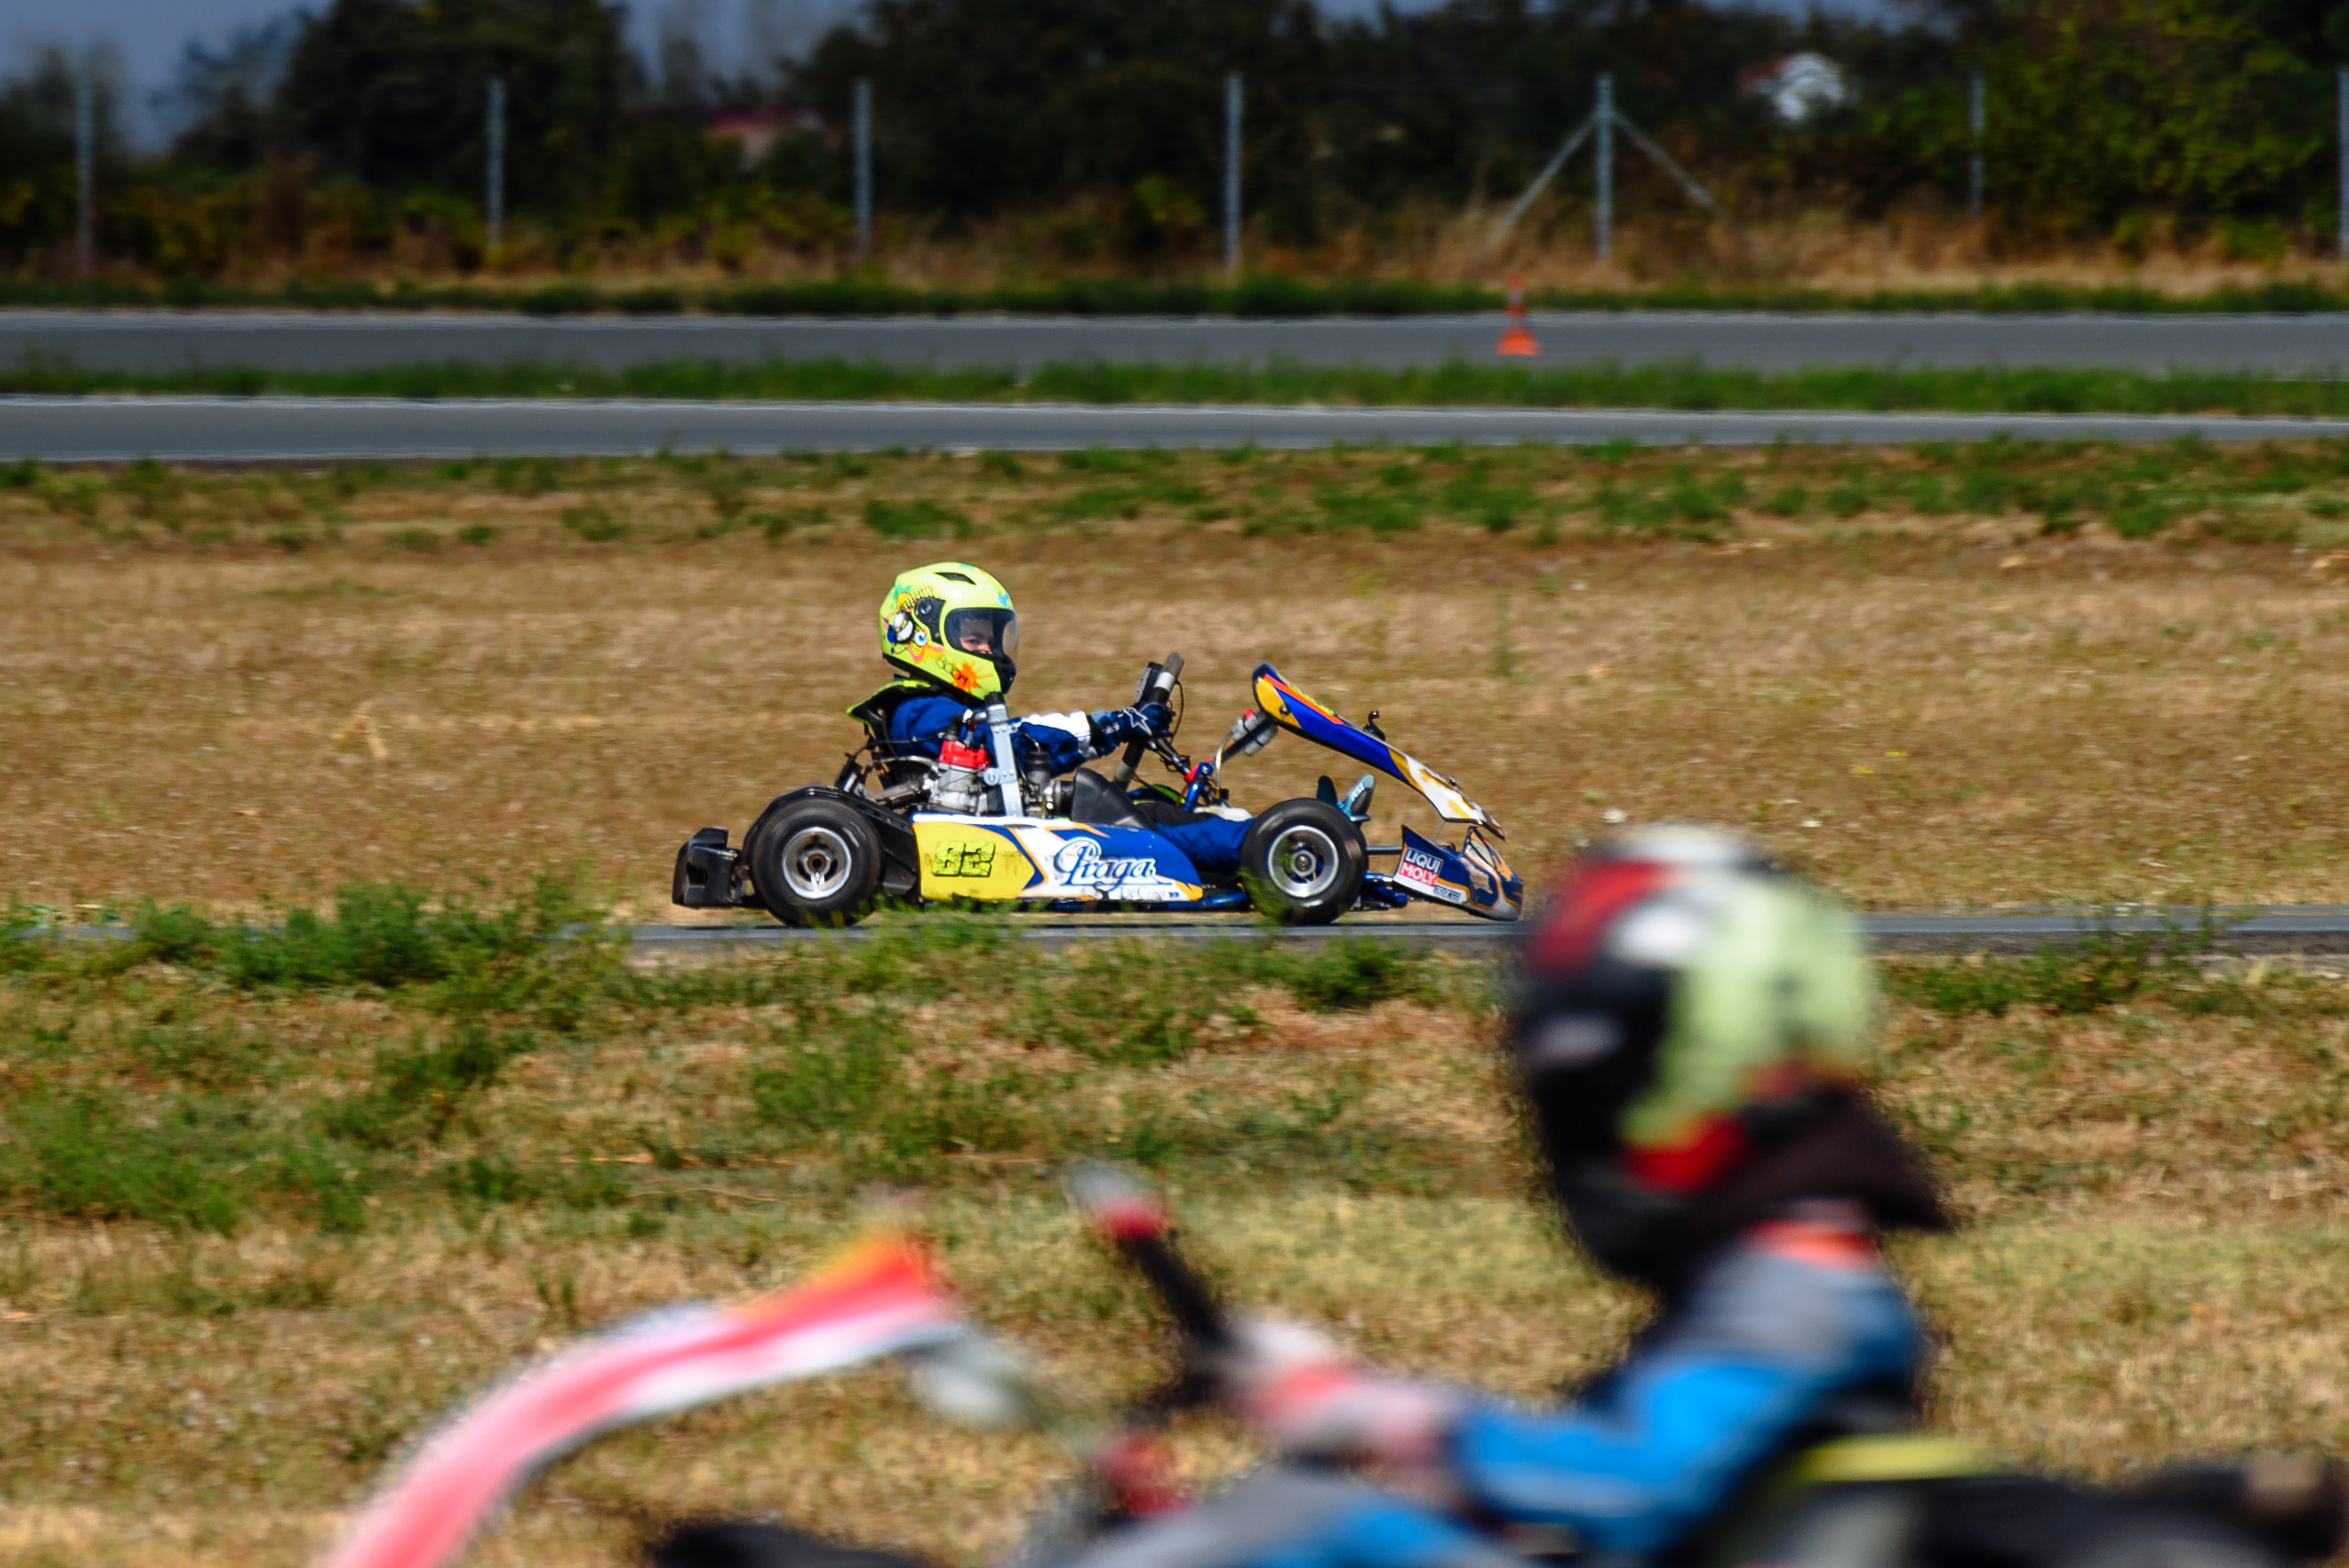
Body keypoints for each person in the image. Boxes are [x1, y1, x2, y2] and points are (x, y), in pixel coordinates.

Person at [860, 562, 1248, 877]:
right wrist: (1110, 725)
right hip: (997, 832)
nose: (991, 651)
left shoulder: (928, 705)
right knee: (1153, 824)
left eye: (992, 640)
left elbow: (1025, 757)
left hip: (1013, 815)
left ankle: (1253, 839)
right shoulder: (919, 710)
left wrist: (1112, 732)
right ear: (923, 636)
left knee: (1151, 803)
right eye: (976, 641)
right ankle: (1264, 844)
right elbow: (1010, 742)